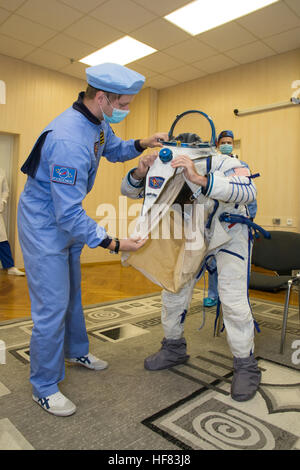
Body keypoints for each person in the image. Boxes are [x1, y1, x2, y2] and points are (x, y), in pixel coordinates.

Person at [18, 62, 168, 417]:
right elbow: (67, 214)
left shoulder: (97, 122)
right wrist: (114, 243)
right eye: (125, 105)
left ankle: (76, 350)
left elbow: (113, 150)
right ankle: (43, 385)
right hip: (44, 223)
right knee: (51, 307)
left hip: (65, 216)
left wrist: (142, 144)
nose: (126, 110)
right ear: (102, 97)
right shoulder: (67, 139)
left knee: (71, 292)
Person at [121, 132, 261, 402]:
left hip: (230, 233)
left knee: (232, 299)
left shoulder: (224, 162)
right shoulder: (165, 164)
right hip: (191, 233)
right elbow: (130, 191)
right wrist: (141, 171)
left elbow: (248, 190)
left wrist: (199, 178)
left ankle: (245, 364)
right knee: (173, 292)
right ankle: (173, 347)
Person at [203, 130, 257, 308]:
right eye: (223, 142)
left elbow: (249, 196)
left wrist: (250, 220)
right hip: (216, 221)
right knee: (214, 261)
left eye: (230, 142)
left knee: (237, 266)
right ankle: (213, 295)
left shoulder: (242, 165)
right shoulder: (212, 166)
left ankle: (238, 299)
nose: (227, 145)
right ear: (217, 145)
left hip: (237, 222)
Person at [0, 168, 25, 276]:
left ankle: (10, 267)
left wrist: (3, 201)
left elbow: (6, 190)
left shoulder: (1, 171)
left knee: (2, 240)